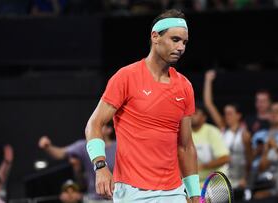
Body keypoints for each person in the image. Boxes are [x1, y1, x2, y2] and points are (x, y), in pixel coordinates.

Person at [84, 9, 200, 202]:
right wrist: (101, 166)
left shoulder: (185, 86)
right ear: (155, 37)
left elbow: (186, 147)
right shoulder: (126, 77)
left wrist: (195, 195)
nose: (181, 47)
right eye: (175, 39)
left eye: (184, 42)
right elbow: (94, 124)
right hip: (131, 191)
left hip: (174, 192)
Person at [38, 123, 116, 202]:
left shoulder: (118, 147)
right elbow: (60, 153)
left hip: (117, 196)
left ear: (109, 130)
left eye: (100, 125)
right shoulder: (85, 145)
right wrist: (48, 147)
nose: (94, 128)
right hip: (93, 198)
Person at [191, 104, 230, 185]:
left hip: (215, 185)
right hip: (193, 186)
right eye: (190, 113)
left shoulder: (212, 131)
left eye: (196, 113)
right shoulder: (184, 133)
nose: (192, 115)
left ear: (204, 117)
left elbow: (225, 158)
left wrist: (203, 166)